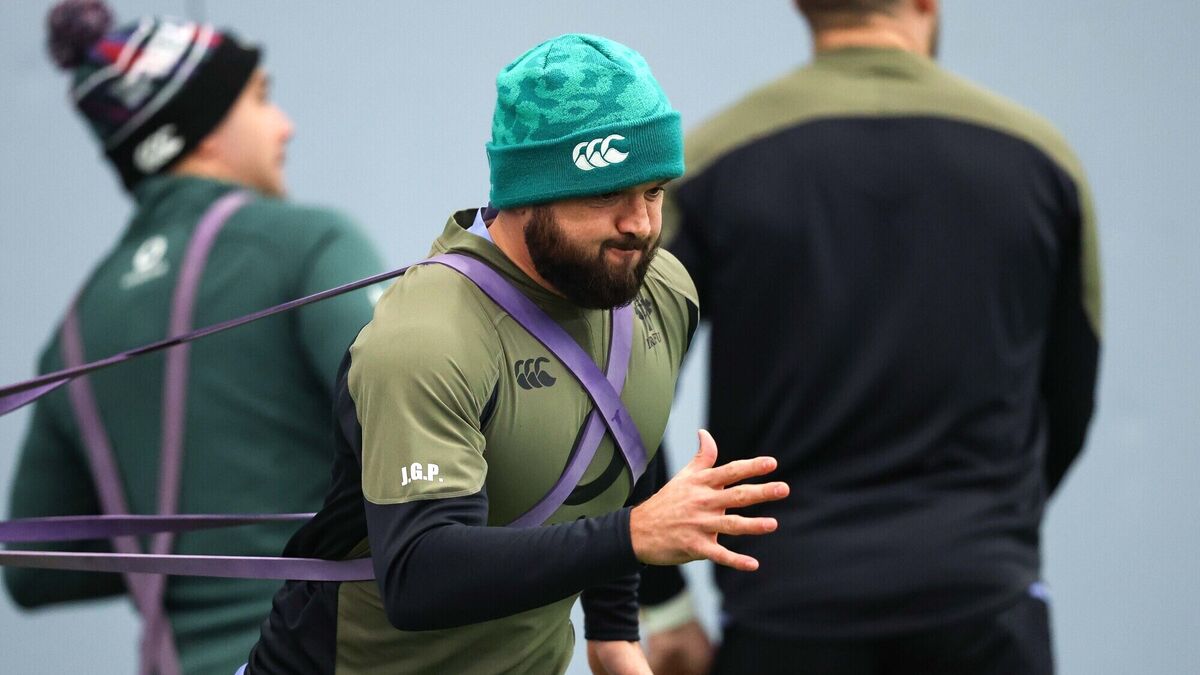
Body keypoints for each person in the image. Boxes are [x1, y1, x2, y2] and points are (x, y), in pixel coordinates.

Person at [242, 33, 789, 675]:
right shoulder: (427, 338)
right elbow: (419, 575)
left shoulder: (662, 290)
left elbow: (621, 461)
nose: (639, 225)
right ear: (527, 193)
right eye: (605, 194)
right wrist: (635, 535)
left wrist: (613, 635)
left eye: (653, 190)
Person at [645, 1, 1103, 673]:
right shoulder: (1042, 161)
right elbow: (1070, 398)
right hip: (983, 608)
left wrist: (662, 602)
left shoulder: (715, 164)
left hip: (787, 617)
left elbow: (620, 388)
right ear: (926, 3)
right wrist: (985, 528)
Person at [3, 1, 385, 673]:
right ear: (201, 131)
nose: (285, 125)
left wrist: (184, 554)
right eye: (260, 98)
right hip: (338, 654)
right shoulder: (304, 246)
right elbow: (419, 428)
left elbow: (32, 568)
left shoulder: (75, 331)